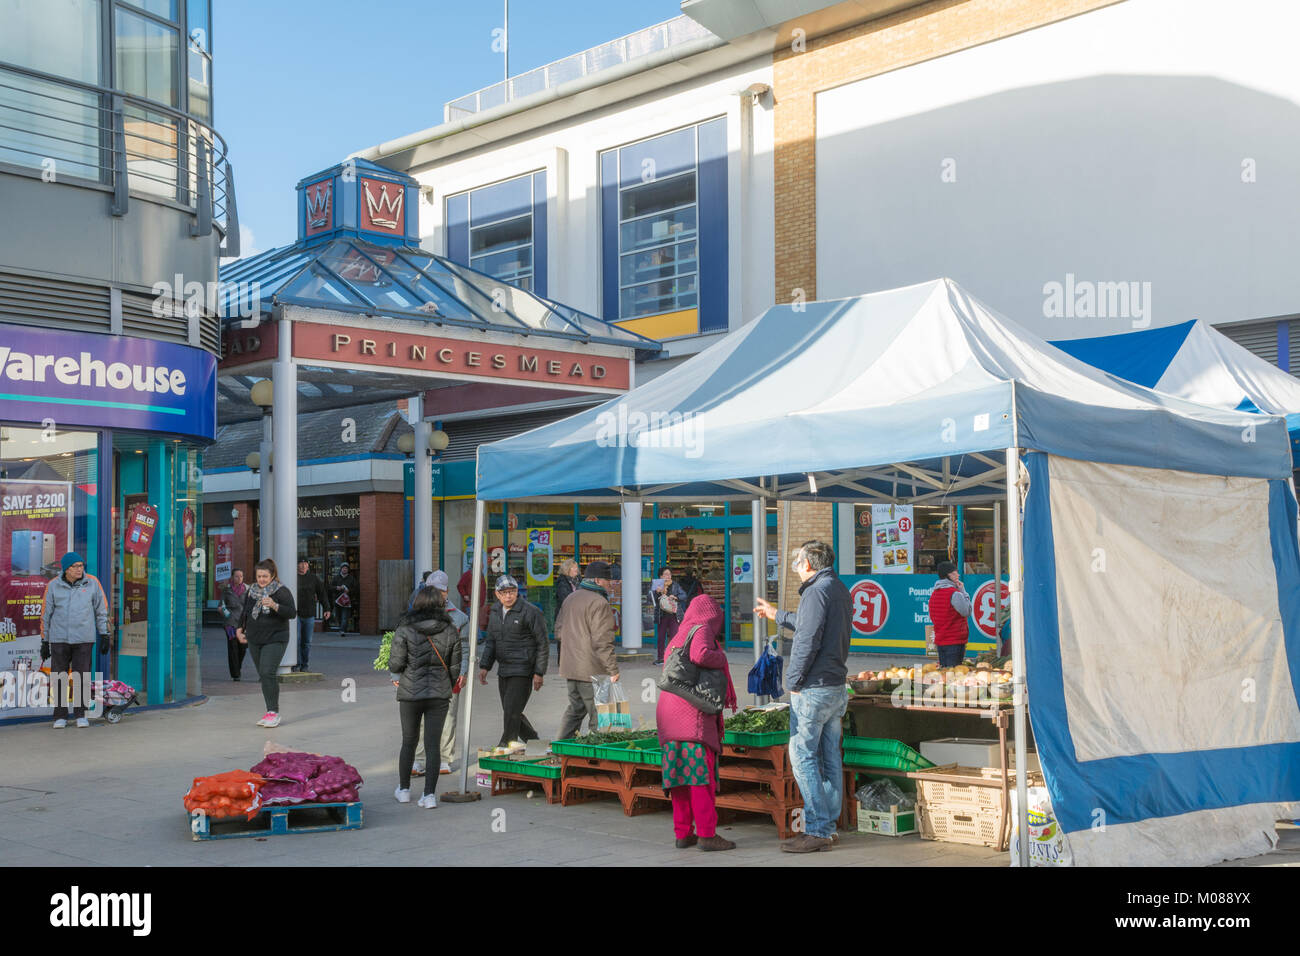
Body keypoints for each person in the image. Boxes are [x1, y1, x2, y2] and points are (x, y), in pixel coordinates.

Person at [754, 539, 851, 853]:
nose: (795, 566)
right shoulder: (837, 588)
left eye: (797, 561)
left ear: (808, 564)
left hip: (813, 688)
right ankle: (829, 827)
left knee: (803, 759)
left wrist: (792, 682)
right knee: (830, 758)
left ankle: (819, 829)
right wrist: (777, 614)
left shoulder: (815, 592)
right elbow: (813, 626)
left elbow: (807, 640)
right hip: (835, 686)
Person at [656, 595, 738, 851]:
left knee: (678, 778)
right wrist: (722, 658)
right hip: (691, 716)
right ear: (712, 616)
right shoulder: (701, 629)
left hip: (670, 715)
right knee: (700, 779)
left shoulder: (680, 632)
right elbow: (701, 654)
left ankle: (683, 834)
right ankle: (706, 835)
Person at [389, 585, 462, 808]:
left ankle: (403, 790)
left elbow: (396, 663)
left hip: (410, 693)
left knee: (409, 741)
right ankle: (429, 795)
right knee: (433, 745)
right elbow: (455, 667)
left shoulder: (405, 628)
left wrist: (399, 675)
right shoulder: (450, 629)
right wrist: (445, 686)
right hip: (439, 694)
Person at [478, 574, 549, 748]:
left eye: (512, 591)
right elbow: (491, 641)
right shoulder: (495, 612)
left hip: (523, 669)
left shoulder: (530, 611)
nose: (508, 596)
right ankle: (538, 745)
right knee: (512, 712)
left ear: (517, 592)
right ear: (497, 594)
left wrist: (539, 672)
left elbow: (542, 643)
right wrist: (485, 666)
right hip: (504, 670)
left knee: (511, 712)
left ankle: (505, 747)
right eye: (504, 592)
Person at [39, 552, 109, 729]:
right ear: (66, 569)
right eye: (75, 566)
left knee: (82, 677)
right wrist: (44, 641)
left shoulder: (92, 583)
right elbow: (45, 615)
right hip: (59, 638)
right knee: (59, 677)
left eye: (81, 565)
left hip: (84, 639)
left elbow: (101, 610)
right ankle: (60, 716)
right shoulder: (53, 586)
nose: (80, 569)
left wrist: (105, 634)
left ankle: (80, 715)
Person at [412, 570, 469, 776]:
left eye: (441, 591)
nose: (438, 594)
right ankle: (418, 759)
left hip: (448, 674)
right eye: (433, 590)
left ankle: (445, 758)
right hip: (421, 674)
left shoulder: (459, 618)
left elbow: (465, 647)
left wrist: (463, 671)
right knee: (419, 719)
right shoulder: (414, 616)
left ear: (447, 592)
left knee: (449, 717)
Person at [556, 560, 619, 740]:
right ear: (598, 581)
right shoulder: (599, 603)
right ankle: (594, 758)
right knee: (598, 715)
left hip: (570, 667)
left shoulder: (570, 598)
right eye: (608, 580)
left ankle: (560, 747)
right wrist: (612, 669)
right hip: (591, 670)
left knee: (576, 709)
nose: (610, 584)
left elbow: (558, 631)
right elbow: (602, 641)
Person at [235, 558, 296, 728]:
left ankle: (273, 712)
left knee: (267, 672)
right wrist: (239, 628)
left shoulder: (281, 591)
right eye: (259, 576)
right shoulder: (252, 591)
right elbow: (246, 612)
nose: (261, 579)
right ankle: (269, 711)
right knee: (263, 675)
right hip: (255, 638)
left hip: (276, 638)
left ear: (273, 575)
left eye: (265, 576)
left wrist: (275, 606)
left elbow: (292, 613)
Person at [929, 561, 972, 666]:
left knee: (945, 673)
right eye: (955, 573)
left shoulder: (934, 593)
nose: (958, 575)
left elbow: (933, 616)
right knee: (954, 674)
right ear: (949, 575)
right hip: (955, 641)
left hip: (941, 640)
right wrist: (963, 591)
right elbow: (967, 611)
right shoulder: (955, 594)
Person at [295, 558, 330, 672]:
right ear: (297, 566)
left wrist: (326, 608)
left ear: (308, 566)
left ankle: (305, 665)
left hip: (309, 614)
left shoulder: (313, 578)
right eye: (301, 563)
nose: (303, 566)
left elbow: (322, 593)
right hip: (296, 614)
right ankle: (296, 663)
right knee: (297, 640)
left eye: (305, 564)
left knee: (307, 642)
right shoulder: (292, 577)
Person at [650, 565, 687, 665]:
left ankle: (674, 658)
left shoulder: (675, 585)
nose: (668, 576)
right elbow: (651, 599)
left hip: (673, 615)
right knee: (661, 637)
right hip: (661, 615)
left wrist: (675, 597)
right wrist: (656, 592)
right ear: (660, 576)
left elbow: (684, 595)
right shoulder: (657, 585)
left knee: (674, 636)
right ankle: (661, 658)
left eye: (669, 574)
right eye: (666, 574)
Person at [221, 568, 248, 681]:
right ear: (232, 577)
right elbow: (221, 605)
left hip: (243, 623)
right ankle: (235, 674)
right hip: (230, 623)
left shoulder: (247, 590)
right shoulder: (226, 590)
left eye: (241, 576)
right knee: (233, 647)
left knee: (242, 648)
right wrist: (226, 614)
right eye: (237, 576)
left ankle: (238, 667)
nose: (239, 578)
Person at [553, 558, 581, 661]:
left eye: (576, 567)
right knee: (563, 637)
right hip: (565, 614)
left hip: (576, 613)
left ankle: (573, 659)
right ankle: (562, 661)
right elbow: (565, 597)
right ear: (567, 569)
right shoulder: (562, 581)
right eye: (574, 567)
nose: (576, 570)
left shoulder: (578, 580)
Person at [457, 567, 490, 633]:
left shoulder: (481, 574)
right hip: (470, 603)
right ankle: (478, 638)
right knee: (473, 621)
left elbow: (483, 589)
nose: (481, 567)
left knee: (475, 621)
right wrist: (464, 595)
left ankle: (477, 637)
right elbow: (460, 585)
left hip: (479, 603)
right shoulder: (468, 574)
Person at [331, 563, 359, 635]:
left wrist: (349, 591)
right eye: (343, 568)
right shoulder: (336, 578)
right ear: (341, 569)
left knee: (345, 616)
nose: (344, 569)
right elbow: (330, 587)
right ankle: (341, 628)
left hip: (347, 601)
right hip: (337, 601)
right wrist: (337, 588)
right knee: (338, 616)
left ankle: (342, 630)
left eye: (346, 568)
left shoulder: (351, 578)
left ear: (348, 569)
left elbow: (356, 589)